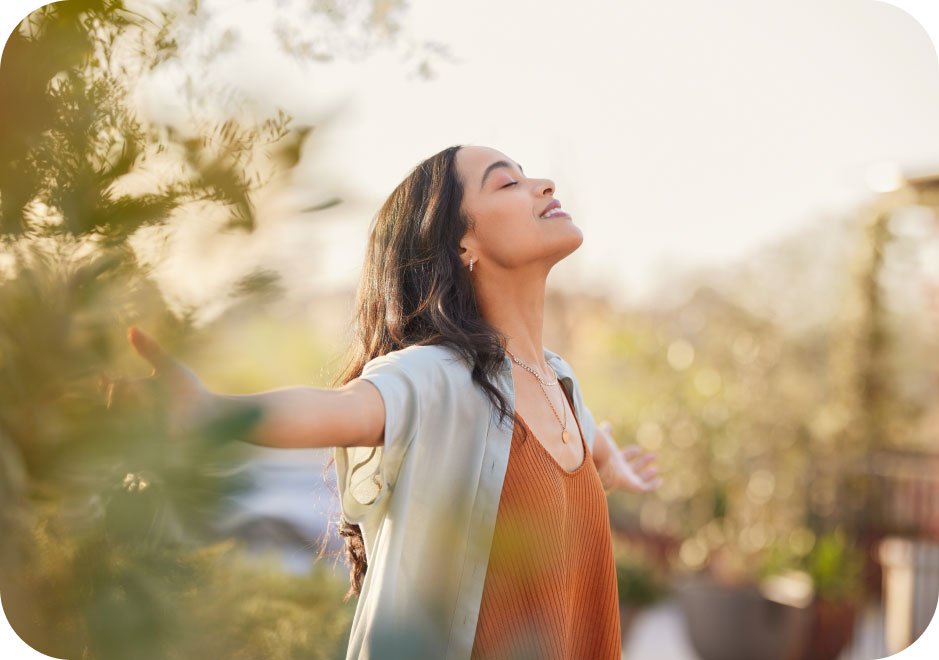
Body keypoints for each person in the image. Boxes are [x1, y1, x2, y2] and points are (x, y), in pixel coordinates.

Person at [114, 144, 662, 660]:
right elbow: (342, 411)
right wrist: (210, 412)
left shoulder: (559, 382)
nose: (544, 185)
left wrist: (606, 462)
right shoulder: (438, 375)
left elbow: (576, 443)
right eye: (508, 183)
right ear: (462, 246)